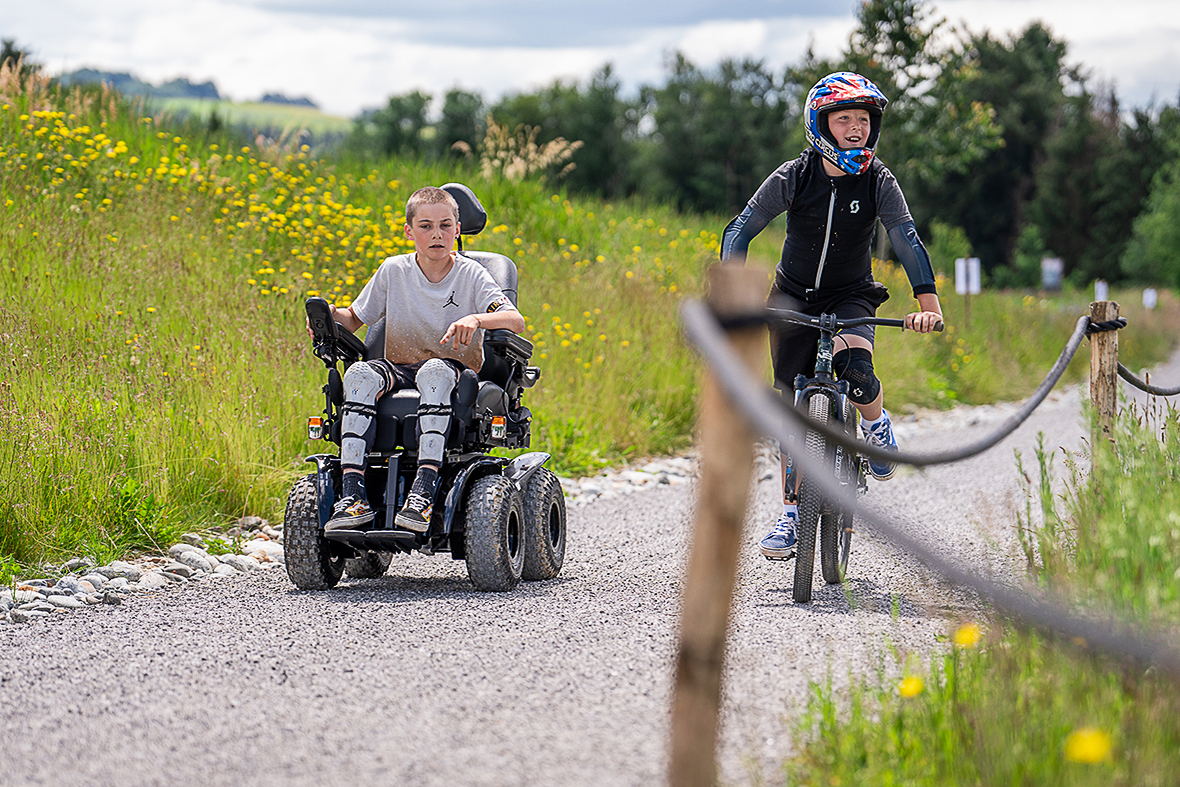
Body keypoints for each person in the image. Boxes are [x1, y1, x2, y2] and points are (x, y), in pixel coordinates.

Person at [719, 72, 943, 559]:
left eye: (864, 119)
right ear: (821, 125)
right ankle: (794, 514)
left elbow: (905, 237)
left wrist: (928, 305)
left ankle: (876, 424)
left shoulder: (878, 178)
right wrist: (731, 291)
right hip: (792, 298)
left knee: (857, 371)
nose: (857, 128)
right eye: (845, 119)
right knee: (793, 411)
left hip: (851, 295)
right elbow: (739, 230)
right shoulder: (793, 177)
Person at [318, 186, 526, 532]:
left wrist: (475, 319)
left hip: (450, 368)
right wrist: (328, 316)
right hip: (398, 365)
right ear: (409, 231)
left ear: (457, 230)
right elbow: (354, 318)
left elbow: (514, 320)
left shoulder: (472, 274)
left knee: (433, 371)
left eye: (445, 225)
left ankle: (424, 493)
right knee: (358, 374)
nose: (437, 234)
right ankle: (353, 497)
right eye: (426, 226)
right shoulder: (393, 270)